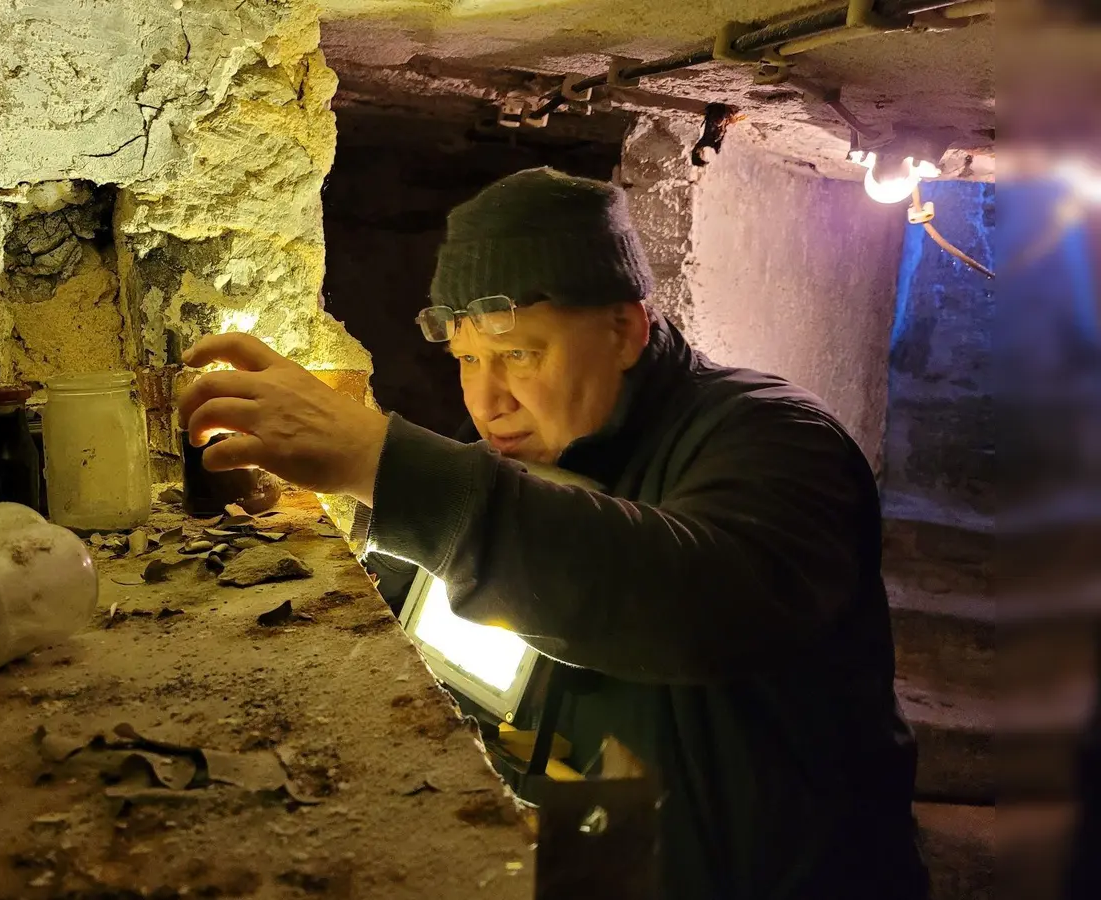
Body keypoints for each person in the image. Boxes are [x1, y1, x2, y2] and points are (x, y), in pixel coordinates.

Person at [178, 168, 927, 900]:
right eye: (467, 359)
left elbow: (690, 600)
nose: (486, 399)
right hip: (608, 858)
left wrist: (385, 464)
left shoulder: (780, 442)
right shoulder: (530, 463)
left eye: (518, 355)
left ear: (625, 329)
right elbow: (465, 627)